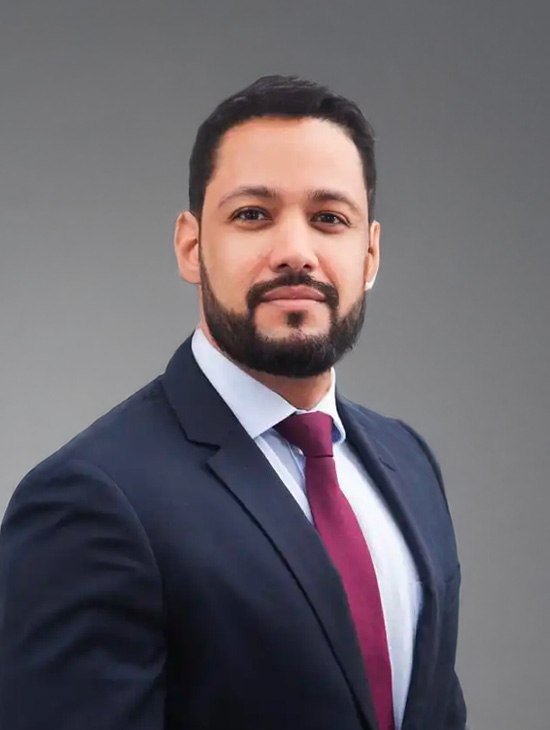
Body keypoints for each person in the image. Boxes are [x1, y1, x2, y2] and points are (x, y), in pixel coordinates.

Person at [0, 75, 467, 730]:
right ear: (192, 247)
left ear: (369, 254)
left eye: (329, 219)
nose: (295, 253)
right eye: (253, 215)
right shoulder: (91, 500)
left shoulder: (409, 463)